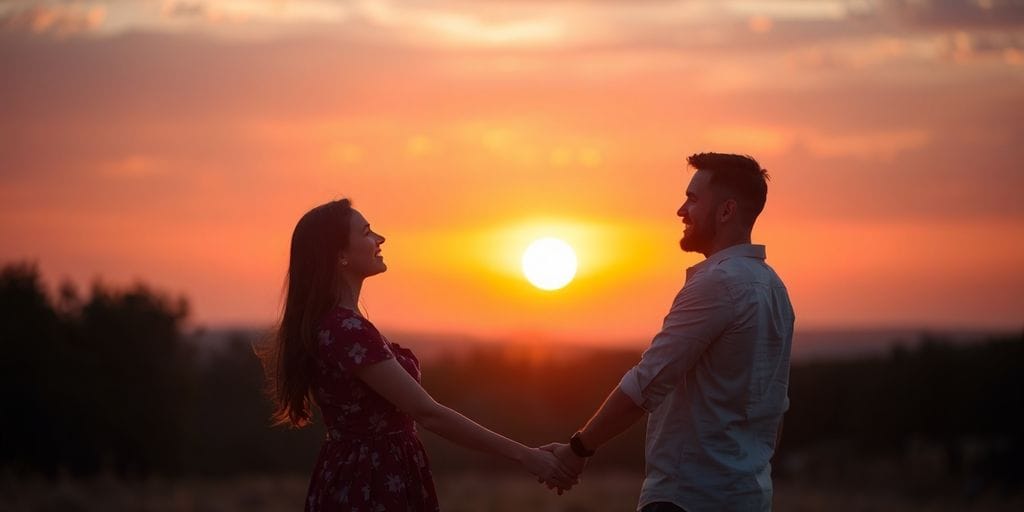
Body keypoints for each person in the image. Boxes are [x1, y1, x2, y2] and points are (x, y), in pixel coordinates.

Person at [258, 199, 575, 511]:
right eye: (367, 232)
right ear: (340, 255)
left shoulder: (340, 325)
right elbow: (428, 413)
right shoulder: (345, 330)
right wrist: (525, 455)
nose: (379, 239)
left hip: (367, 473)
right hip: (371, 483)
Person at [543, 153, 796, 511]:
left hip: (688, 498)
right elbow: (775, 407)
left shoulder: (716, 284)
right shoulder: (775, 290)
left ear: (726, 211)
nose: (681, 210)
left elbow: (646, 383)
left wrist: (578, 449)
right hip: (749, 498)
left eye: (693, 199)